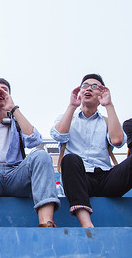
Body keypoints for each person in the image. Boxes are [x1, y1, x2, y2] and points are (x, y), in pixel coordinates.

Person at [0, 78, 60, 227]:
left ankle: (46, 222)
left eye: (3, 89)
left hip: (17, 176)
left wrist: (13, 108)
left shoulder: (17, 123)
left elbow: (34, 140)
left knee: (40, 154)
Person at [51, 74, 127, 228]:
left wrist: (109, 105)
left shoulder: (107, 121)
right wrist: (72, 106)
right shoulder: (67, 118)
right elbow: (59, 135)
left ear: (101, 94)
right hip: (79, 180)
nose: (89, 89)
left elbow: (117, 141)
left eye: (95, 87)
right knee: (70, 159)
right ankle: (87, 225)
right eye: (85, 86)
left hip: (105, 178)